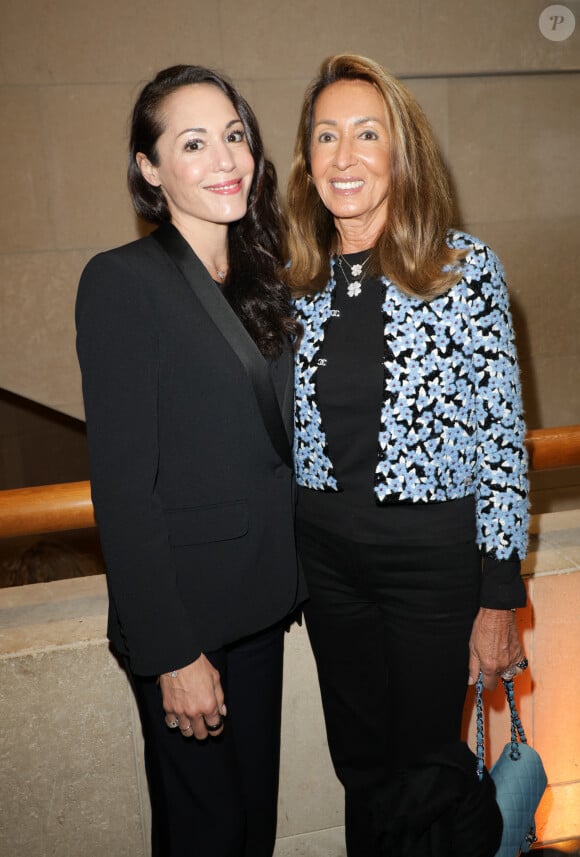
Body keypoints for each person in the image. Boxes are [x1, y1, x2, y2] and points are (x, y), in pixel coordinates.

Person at [285, 54, 529, 857]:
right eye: (326, 135)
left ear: (402, 153)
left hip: (431, 561)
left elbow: (501, 442)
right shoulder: (294, 283)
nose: (344, 156)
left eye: (366, 133)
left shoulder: (462, 269)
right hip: (326, 560)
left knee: (427, 768)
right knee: (361, 763)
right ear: (306, 158)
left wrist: (500, 599)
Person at [75, 64, 305, 857]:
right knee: (205, 835)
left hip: (261, 602)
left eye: (234, 136)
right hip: (187, 619)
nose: (225, 160)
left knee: (253, 829)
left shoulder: (263, 277)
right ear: (150, 168)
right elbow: (123, 488)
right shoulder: (121, 282)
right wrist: (173, 651)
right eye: (194, 143)